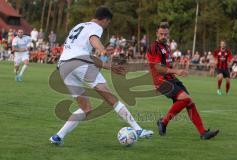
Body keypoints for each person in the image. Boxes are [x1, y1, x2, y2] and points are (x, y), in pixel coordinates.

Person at [49, 6, 153, 145]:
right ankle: (138, 130)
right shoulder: (96, 27)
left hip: (64, 67)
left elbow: (86, 56)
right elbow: (93, 40)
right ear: (105, 20)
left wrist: (108, 66)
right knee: (111, 99)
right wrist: (102, 50)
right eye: (108, 23)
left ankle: (58, 136)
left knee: (86, 108)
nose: (106, 25)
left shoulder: (79, 26)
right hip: (80, 64)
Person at [146, 21, 219, 140]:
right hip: (161, 81)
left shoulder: (167, 47)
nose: (164, 36)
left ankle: (202, 133)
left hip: (171, 79)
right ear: (156, 34)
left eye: (166, 34)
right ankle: (163, 122)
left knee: (189, 102)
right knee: (186, 99)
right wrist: (176, 71)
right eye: (161, 34)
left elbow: (167, 64)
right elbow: (157, 67)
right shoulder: (154, 47)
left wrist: (176, 70)